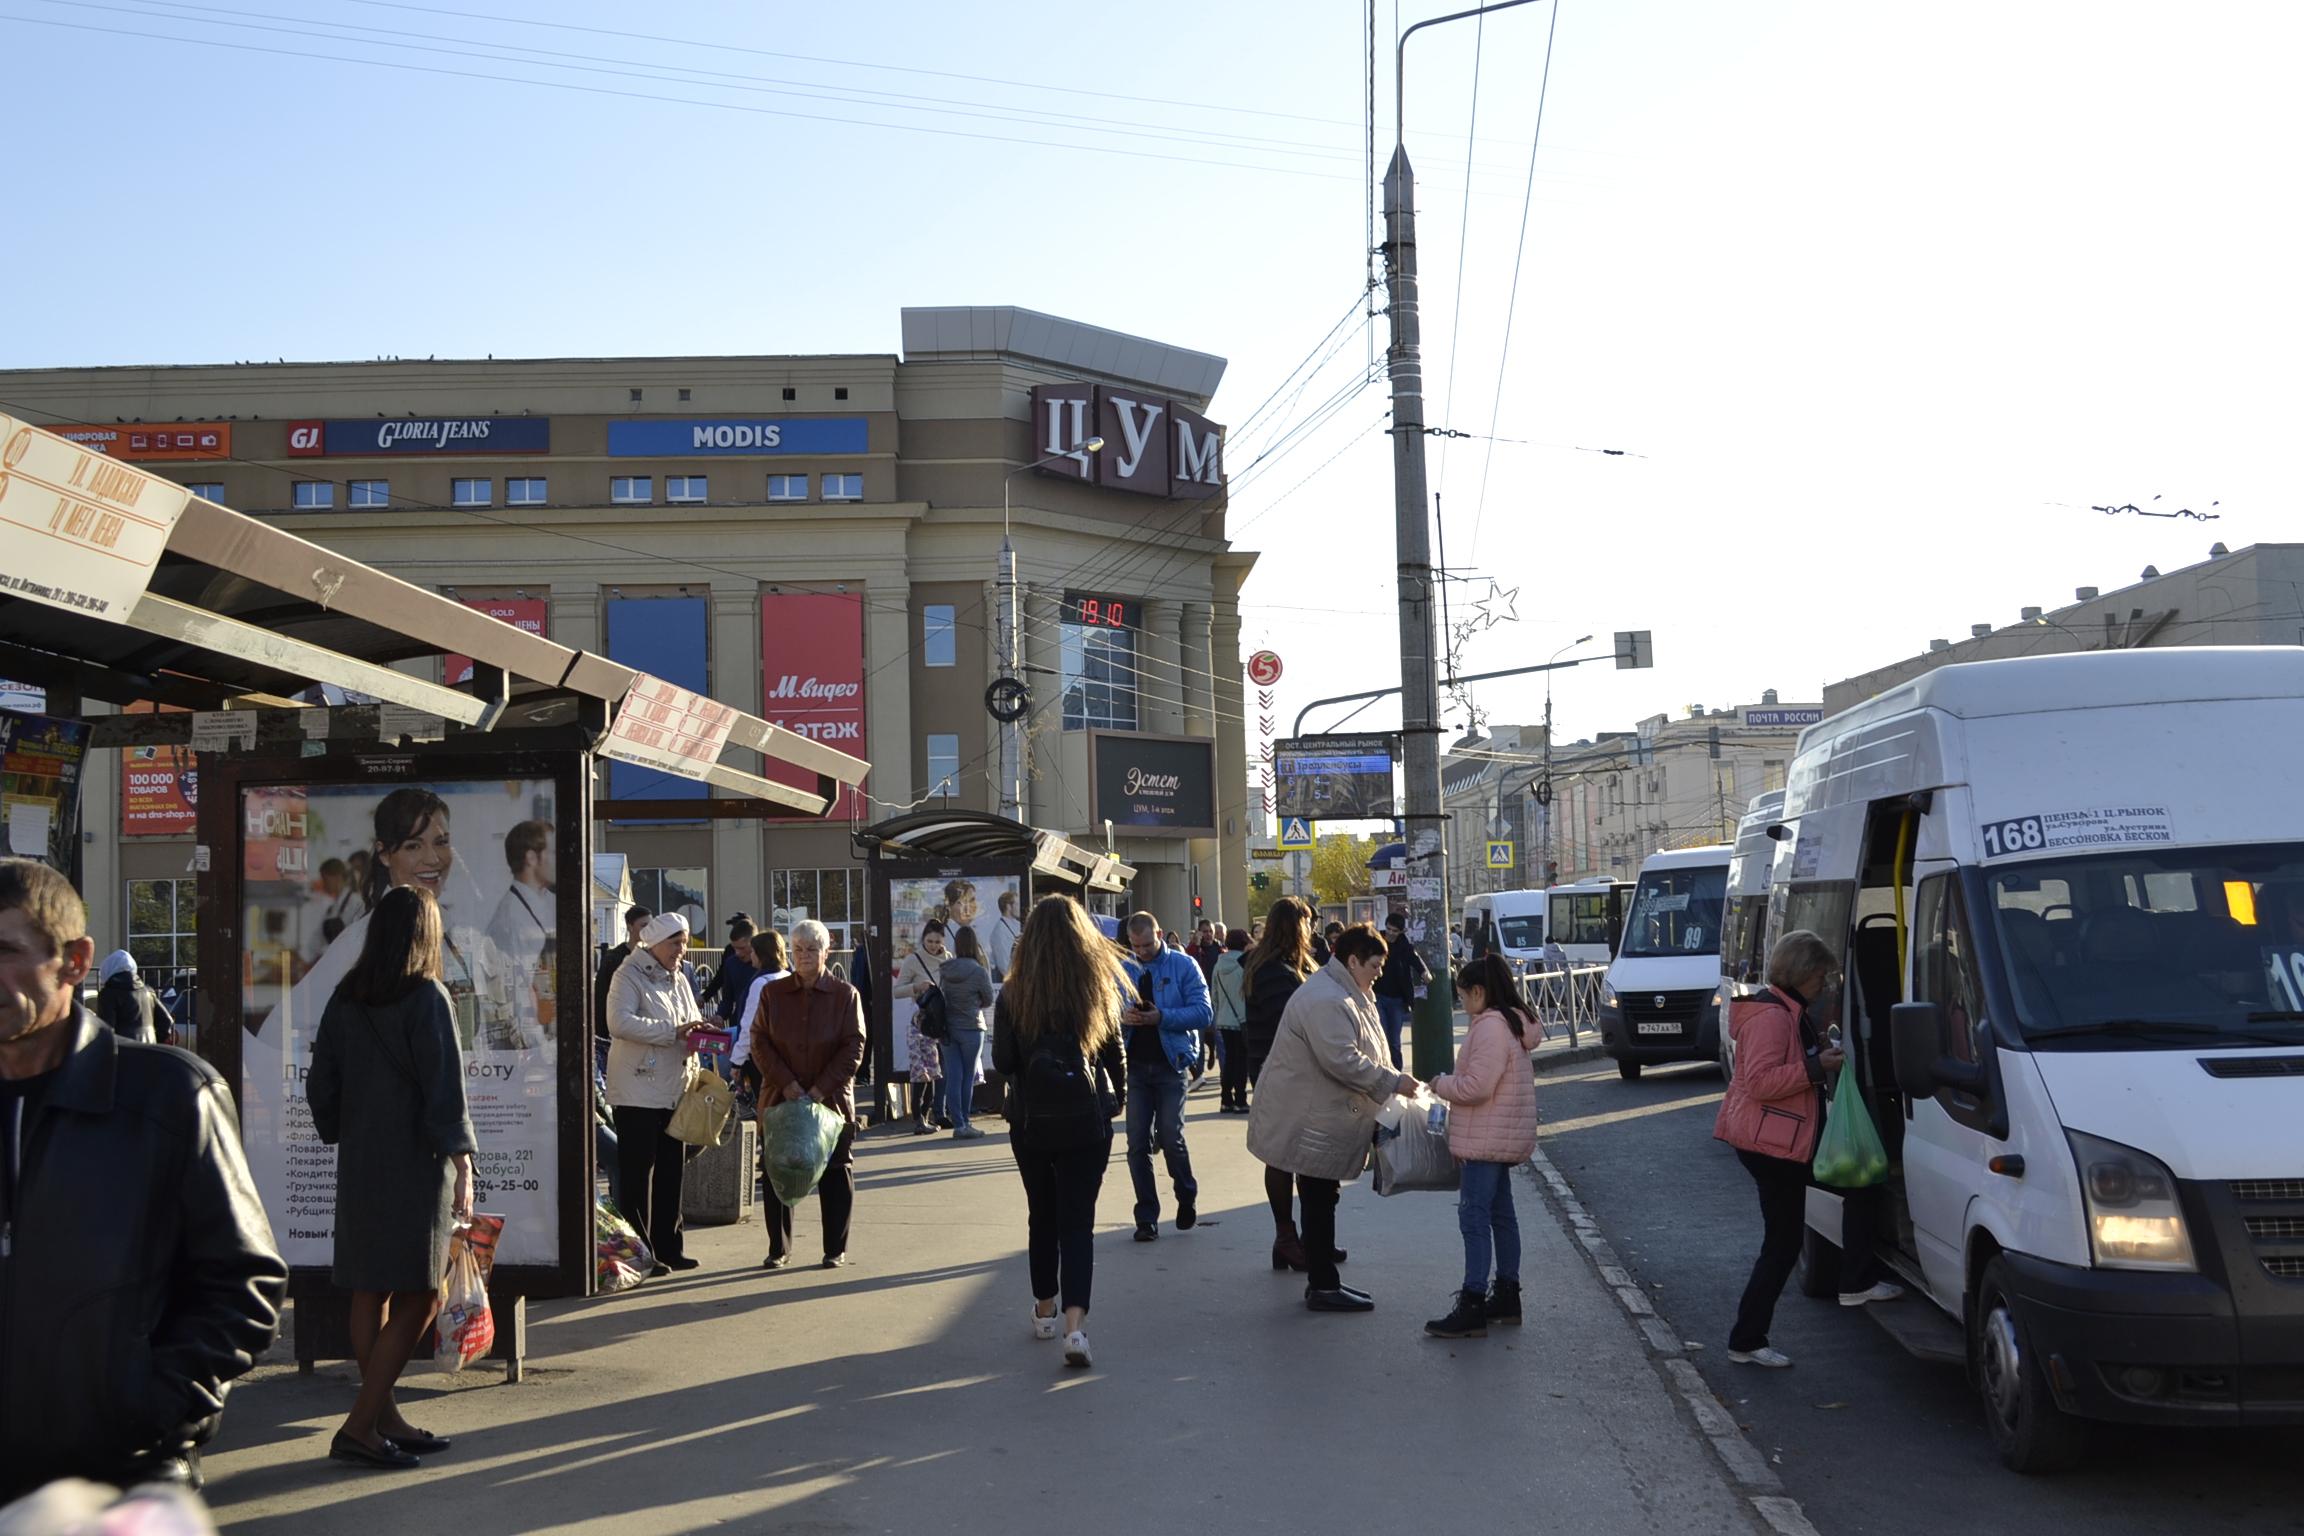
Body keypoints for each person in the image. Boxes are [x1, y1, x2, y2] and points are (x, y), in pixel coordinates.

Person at [0, 860, 285, 1499]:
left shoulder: (169, 1097)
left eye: (6, 952)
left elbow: (244, 1282)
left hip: (121, 1481)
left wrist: (151, 1409)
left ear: (75, 961)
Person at [307, 885, 479, 1468]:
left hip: (360, 1161)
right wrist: (464, 1161)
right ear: (425, 935)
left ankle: (384, 1418)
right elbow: (445, 1090)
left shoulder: (346, 995)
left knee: (370, 1288)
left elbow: (319, 1085)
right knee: (424, 1291)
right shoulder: (428, 995)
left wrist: (345, 1130)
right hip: (416, 1161)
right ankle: (359, 1426)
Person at [1714, 929, 1900, 1368]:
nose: (1825, 986)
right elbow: (1759, 1082)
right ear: (1800, 974)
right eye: (1820, 977)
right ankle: (1850, 1284)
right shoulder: (1772, 1017)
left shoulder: (1787, 1010)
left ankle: (1749, 1338)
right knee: (1856, 1183)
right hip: (1772, 1144)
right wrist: (1815, 1067)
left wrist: (1818, 1057)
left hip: (1777, 1139)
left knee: (1784, 1241)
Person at [1247, 923, 1415, 1312]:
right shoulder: (1328, 999)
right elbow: (1342, 1059)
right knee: (1320, 1195)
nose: (1379, 973)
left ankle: (1322, 1277)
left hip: (1316, 1111)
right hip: (1310, 1116)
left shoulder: (1344, 989)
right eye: (1375, 965)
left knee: (1320, 1194)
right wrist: (1393, 1082)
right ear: (1352, 960)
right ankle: (1323, 1285)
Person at [992, 895, 1129, 1370]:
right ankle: (1075, 1330)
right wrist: (1117, 1101)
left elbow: (1004, 1063)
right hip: (1086, 1121)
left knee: (1041, 1215)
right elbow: (1116, 1058)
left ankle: (1045, 1311)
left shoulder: (1012, 993)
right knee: (1078, 1222)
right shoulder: (1097, 986)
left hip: (1030, 1122)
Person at [1423, 953, 1541, 1339]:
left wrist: (1440, 1083)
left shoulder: (1490, 1027)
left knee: (1474, 1217)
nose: (1462, 1004)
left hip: (1484, 1139)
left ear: (1479, 991)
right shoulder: (1512, 1022)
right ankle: (1507, 1295)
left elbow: (1476, 1087)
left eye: (1462, 996)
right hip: (1499, 1135)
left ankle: (1473, 1301)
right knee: (1501, 1215)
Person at [753, 920, 867, 1269]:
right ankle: (779, 1248)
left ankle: (835, 1247)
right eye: (798, 950)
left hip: (830, 1102)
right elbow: (759, 1040)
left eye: (812, 950)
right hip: (780, 1099)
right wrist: (786, 1082)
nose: (804, 957)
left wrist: (820, 1088)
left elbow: (854, 1046)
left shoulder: (846, 995)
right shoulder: (773, 994)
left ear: (826, 951)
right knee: (778, 1169)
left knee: (835, 1171)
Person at [605, 912, 712, 1276]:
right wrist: (672, 1031)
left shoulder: (679, 977)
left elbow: (689, 1019)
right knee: (639, 1175)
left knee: (671, 1172)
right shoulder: (627, 974)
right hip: (636, 1089)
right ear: (655, 943)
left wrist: (701, 1031)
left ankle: (670, 1247)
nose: (681, 950)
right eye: (675, 943)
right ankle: (642, 1253)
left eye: (683, 943)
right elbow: (618, 1022)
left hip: (674, 1088)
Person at [1242, 898, 1322, 1269]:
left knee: (1296, 1152)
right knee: (1285, 1154)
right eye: (1308, 922)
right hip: (1282, 1071)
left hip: (1283, 1069)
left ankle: (1309, 1238)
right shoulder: (1274, 970)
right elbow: (1291, 1021)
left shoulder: (1286, 966)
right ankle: (1288, 1237)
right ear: (1294, 926)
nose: (1313, 929)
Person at [1119, 911, 1208, 1240]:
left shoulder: (1183, 965)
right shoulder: (1124, 968)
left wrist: (1162, 1017)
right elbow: (1107, 1011)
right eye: (1135, 945)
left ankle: (1186, 1195)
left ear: (1159, 933)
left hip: (1172, 1063)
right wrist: (1122, 1017)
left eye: (1147, 944)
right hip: (1137, 1067)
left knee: (1171, 1137)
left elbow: (1203, 1011)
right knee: (1137, 1143)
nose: (1142, 951)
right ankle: (1146, 1216)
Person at [483, 818, 555, 1050]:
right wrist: (537, 1048)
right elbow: (512, 992)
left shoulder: (551, 901)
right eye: (554, 852)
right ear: (532, 858)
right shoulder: (509, 918)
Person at [938, 926, 996, 1140]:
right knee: (967, 1077)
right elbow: (989, 998)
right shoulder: (979, 970)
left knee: (954, 1075)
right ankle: (966, 1124)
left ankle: (959, 1124)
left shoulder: (946, 969)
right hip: (972, 1027)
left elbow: (942, 994)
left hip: (948, 1029)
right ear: (974, 944)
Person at [892, 920, 948, 1135]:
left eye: (937, 942)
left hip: (943, 1022)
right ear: (923, 939)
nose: (933, 946)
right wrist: (917, 987)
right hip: (922, 1023)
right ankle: (920, 1119)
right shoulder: (913, 960)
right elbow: (897, 991)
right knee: (921, 1072)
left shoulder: (948, 959)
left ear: (943, 941)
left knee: (938, 1071)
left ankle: (938, 1112)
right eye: (929, 941)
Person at [730, 929, 790, 1089]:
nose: (751, 955)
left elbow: (750, 1024)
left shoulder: (760, 983)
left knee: (765, 1106)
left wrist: (737, 1060)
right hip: (786, 1054)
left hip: (762, 1056)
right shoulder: (788, 977)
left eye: (753, 952)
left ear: (761, 955)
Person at [1371, 911, 1430, 1070]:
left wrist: (1424, 972)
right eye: (1389, 929)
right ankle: (1382, 1070)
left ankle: (1397, 1074)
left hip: (1397, 999)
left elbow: (1416, 960)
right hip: (1378, 997)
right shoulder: (1376, 942)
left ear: (1401, 932)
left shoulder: (1405, 947)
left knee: (1394, 1042)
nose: (1390, 933)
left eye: (1395, 931)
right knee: (1381, 1034)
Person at [594, 904, 652, 1058]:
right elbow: (602, 997)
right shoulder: (615, 960)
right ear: (630, 927)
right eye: (643, 925)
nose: (648, 930)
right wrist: (603, 1036)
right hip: (620, 1034)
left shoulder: (653, 958)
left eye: (651, 926)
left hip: (647, 1032)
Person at [1209, 927, 1252, 1113]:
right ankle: (1240, 1100)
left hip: (1224, 1018)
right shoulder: (1245, 964)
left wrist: (1220, 1011)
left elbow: (1214, 995)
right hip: (1242, 1020)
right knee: (1242, 1061)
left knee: (1228, 1061)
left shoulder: (1219, 965)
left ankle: (1225, 1099)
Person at [93, 949, 174, 1045]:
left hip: (124, 1050)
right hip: (149, 1047)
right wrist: (156, 1041)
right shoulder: (148, 991)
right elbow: (167, 1021)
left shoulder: (108, 994)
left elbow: (107, 1029)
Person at [701, 917, 759, 1028]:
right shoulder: (731, 964)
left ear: (754, 943)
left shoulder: (770, 965)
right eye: (734, 948)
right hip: (739, 1026)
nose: (738, 953)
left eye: (742, 948)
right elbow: (727, 1000)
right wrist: (720, 1016)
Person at [986, 890, 1022, 981]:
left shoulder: (1015, 924)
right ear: (1008, 907)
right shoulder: (1000, 931)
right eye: (1017, 904)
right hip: (1005, 980)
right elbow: (1004, 964)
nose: (1020, 908)